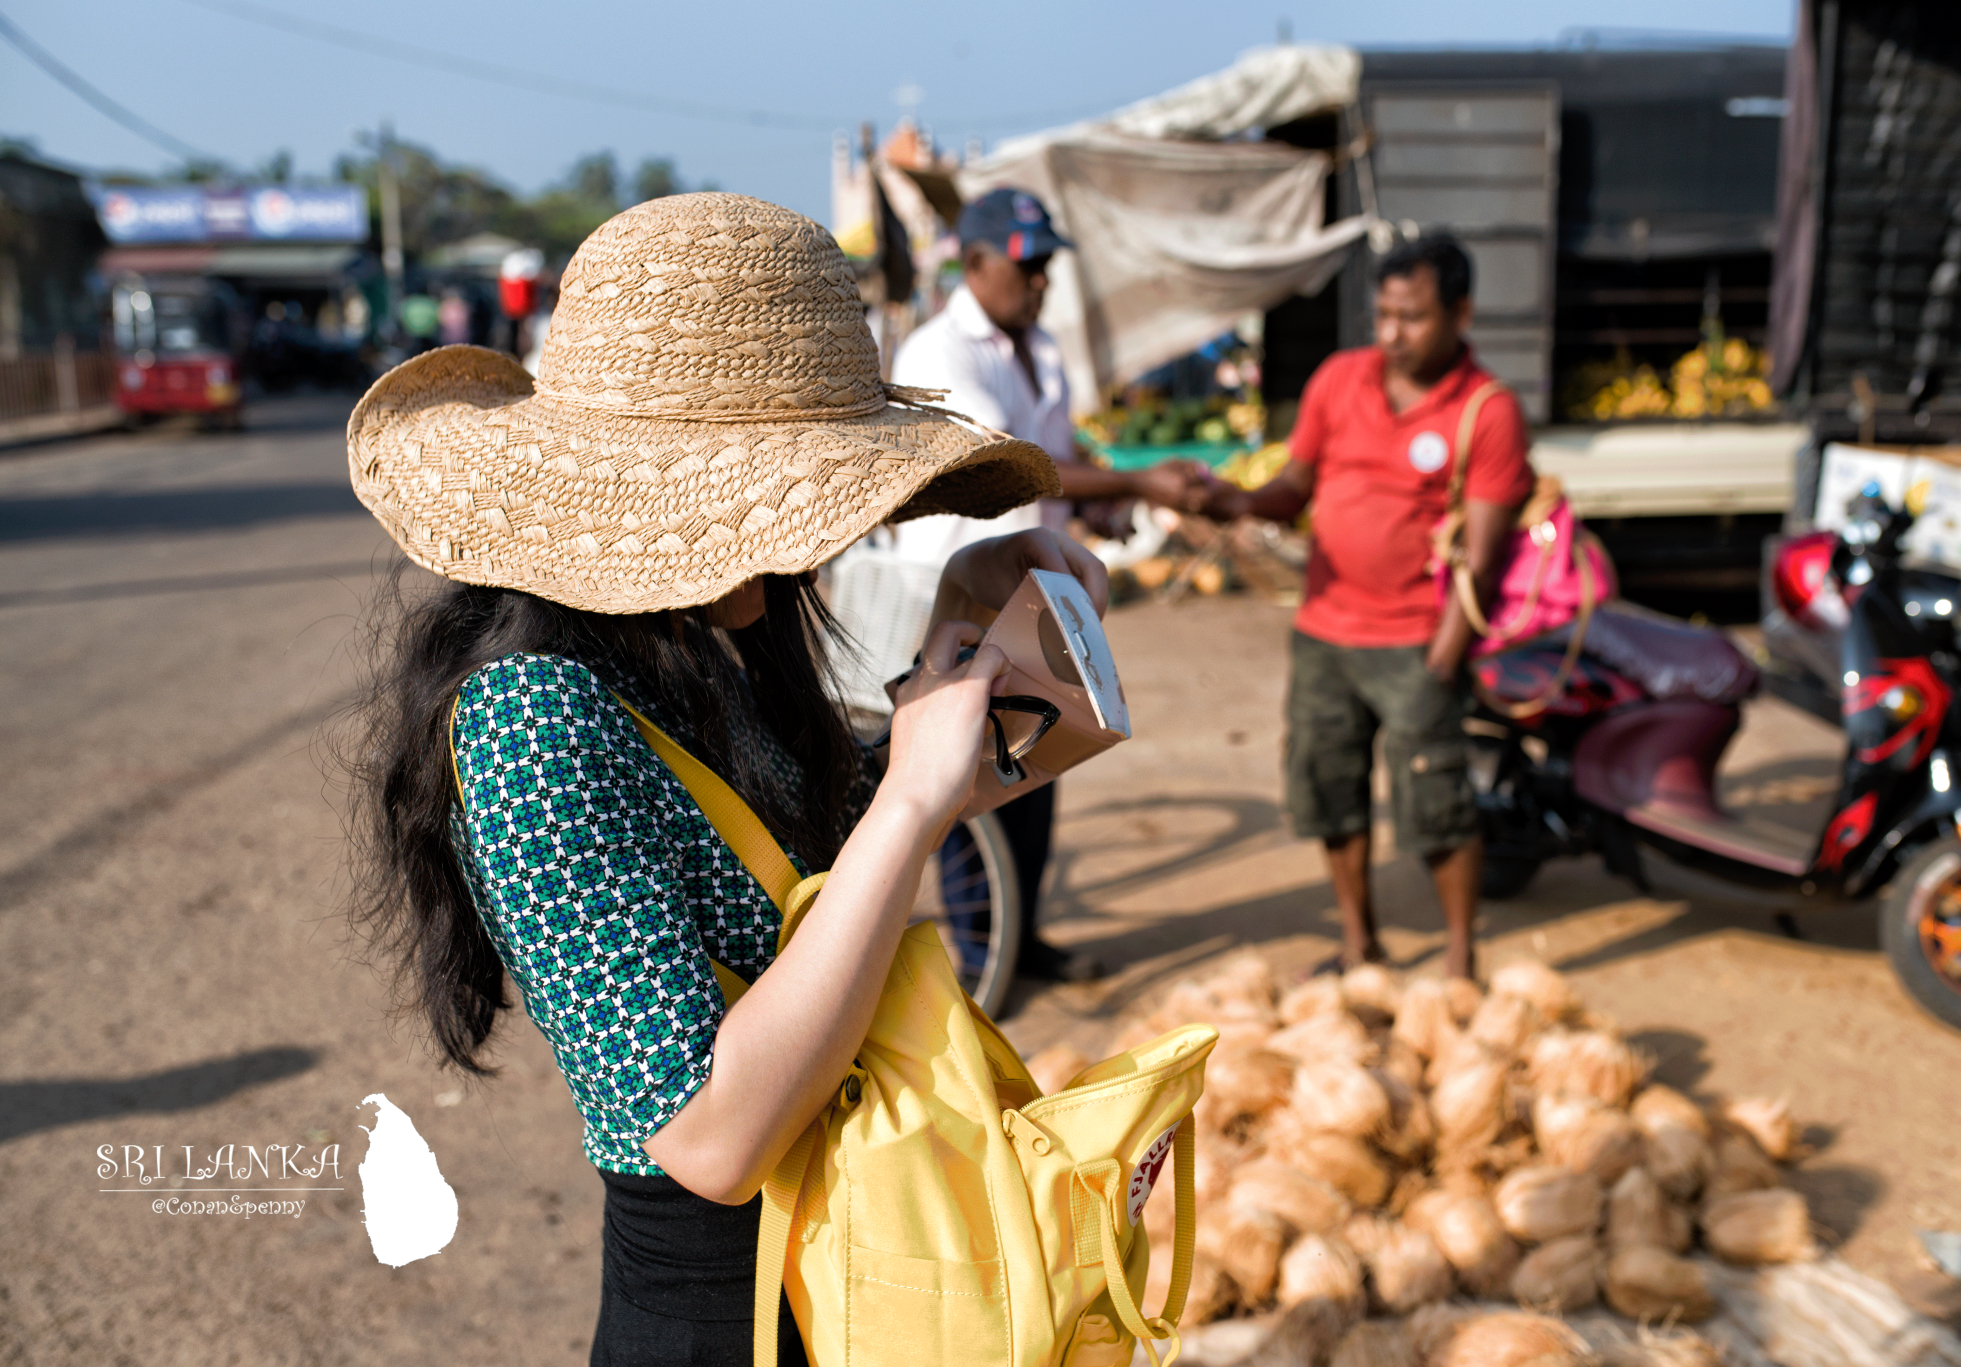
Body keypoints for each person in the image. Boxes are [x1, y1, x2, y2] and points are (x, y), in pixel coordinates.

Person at [343, 193, 1103, 1365]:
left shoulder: (711, 631)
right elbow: (707, 1135)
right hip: (724, 1314)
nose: (820, 538)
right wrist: (906, 802)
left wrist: (1000, 652)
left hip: (857, 1257)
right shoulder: (531, 717)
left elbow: (830, 848)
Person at [888, 187, 1208, 984]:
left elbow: (1057, 461)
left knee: (1034, 763)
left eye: (1048, 265)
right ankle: (980, 956)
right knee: (965, 777)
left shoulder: (1045, 349)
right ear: (976, 264)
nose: (1040, 281)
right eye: (1028, 265)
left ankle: (1021, 942)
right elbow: (1012, 468)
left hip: (1032, 594)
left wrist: (1119, 498)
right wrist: (1146, 484)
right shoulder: (939, 353)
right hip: (954, 595)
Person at [1204, 234, 1531, 978]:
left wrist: (1444, 658)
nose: (1392, 334)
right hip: (1325, 632)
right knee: (1330, 789)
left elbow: (1483, 555)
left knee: (1436, 802)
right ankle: (1360, 944)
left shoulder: (1489, 412)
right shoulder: (1340, 379)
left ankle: (1458, 959)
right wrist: (1242, 500)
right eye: (1383, 314)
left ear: (1460, 312)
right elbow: (1296, 488)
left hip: (1418, 642)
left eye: (1412, 317)